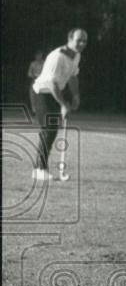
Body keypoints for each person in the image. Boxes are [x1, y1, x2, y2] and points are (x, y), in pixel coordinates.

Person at [31, 29, 87, 181]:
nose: (82, 43)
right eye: (79, 40)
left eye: (84, 41)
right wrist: (63, 105)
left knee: (52, 130)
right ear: (70, 39)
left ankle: (39, 168)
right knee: (48, 129)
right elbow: (52, 83)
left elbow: (73, 77)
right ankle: (39, 169)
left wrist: (76, 95)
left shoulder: (76, 55)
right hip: (42, 92)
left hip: (53, 93)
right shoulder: (57, 56)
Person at [27, 50, 45, 118]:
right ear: (35, 56)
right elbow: (29, 73)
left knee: (41, 98)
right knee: (32, 97)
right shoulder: (33, 64)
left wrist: (41, 76)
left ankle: (42, 111)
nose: (38, 57)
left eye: (40, 55)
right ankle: (34, 111)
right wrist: (33, 75)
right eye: (37, 55)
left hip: (42, 82)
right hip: (34, 81)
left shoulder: (45, 63)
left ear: (41, 55)